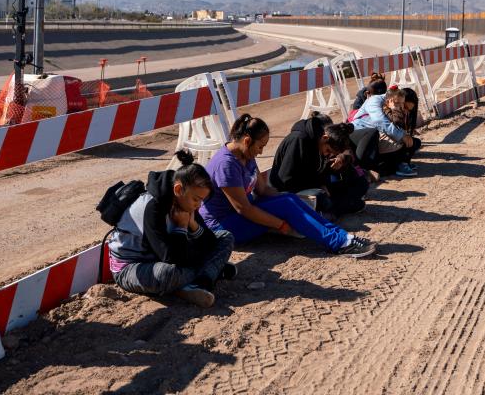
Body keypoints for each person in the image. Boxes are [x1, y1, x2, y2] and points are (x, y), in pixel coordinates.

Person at [199, 114, 377, 257]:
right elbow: (244, 209)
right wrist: (280, 224)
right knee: (286, 204)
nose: (261, 151)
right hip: (222, 226)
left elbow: (263, 190)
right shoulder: (226, 164)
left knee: (289, 199)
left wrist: (289, 201)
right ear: (247, 141)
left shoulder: (247, 156)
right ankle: (340, 243)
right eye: (260, 146)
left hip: (243, 213)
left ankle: (343, 237)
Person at [108, 150, 236, 308]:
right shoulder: (152, 207)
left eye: (201, 200)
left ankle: (198, 282)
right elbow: (170, 258)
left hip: (171, 256)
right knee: (167, 273)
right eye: (196, 199)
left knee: (225, 237)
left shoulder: (186, 200)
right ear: (178, 190)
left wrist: (193, 225)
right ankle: (207, 274)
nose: (198, 205)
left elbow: (210, 242)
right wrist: (181, 227)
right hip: (133, 267)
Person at [269, 113, 369, 217]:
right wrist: (319, 185)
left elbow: (318, 171)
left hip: (313, 185)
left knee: (361, 183)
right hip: (290, 190)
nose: (328, 154)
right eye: (328, 150)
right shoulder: (299, 140)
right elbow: (285, 180)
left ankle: (335, 207)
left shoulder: (319, 142)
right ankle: (334, 208)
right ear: (325, 138)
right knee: (322, 197)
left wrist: (339, 162)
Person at [353, 88, 416, 177]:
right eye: (403, 106)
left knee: (414, 142)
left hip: (378, 133)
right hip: (364, 133)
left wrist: (404, 134)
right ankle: (388, 167)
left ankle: (397, 164)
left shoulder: (396, 103)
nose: (403, 109)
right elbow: (381, 122)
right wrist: (402, 135)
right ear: (390, 100)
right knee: (401, 142)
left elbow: (396, 124)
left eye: (403, 104)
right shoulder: (375, 101)